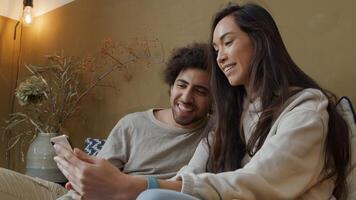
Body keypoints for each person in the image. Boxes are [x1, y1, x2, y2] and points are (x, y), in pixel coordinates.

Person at [53, 3, 351, 200]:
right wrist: (96, 180)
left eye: (228, 42)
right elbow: (191, 173)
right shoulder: (227, 121)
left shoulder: (307, 110)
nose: (219, 56)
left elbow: (259, 182)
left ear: (260, 39)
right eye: (215, 47)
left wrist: (141, 186)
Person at [0, 42, 212, 200]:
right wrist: (76, 170)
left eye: (200, 91)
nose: (186, 97)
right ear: (171, 86)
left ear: (215, 98)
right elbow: (93, 176)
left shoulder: (217, 134)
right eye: (181, 85)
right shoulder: (132, 124)